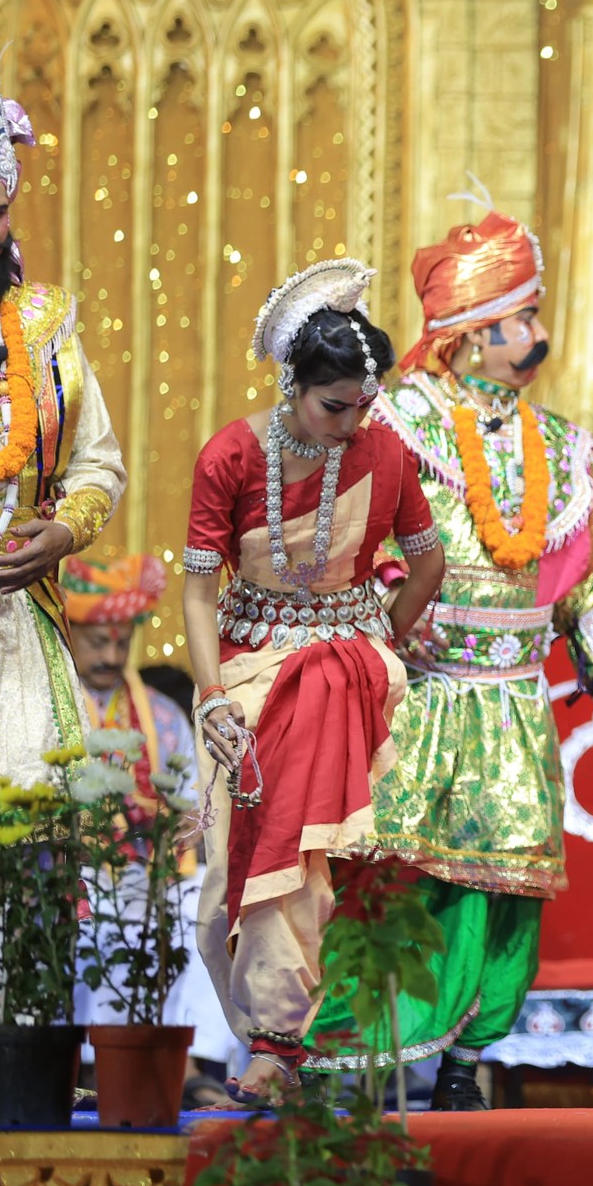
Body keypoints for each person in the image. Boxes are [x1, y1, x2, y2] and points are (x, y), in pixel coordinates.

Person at [303, 199, 593, 1109]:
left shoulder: (561, 444)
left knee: (505, 889)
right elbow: (357, 535)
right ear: (468, 334)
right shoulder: (401, 420)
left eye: (533, 316)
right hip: (423, 695)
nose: (536, 335)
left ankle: (464, 1064)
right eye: (519, 319)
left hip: (517, 700)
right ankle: (345, 1062)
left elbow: (580, 581)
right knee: (399, 876)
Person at [181, 260, 445, 1105]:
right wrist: (213, 697)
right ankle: (273, 1036)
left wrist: (379, 645)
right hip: (243, 674)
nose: (352, 423)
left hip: (346, 672)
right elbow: (197, 592)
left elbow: (428, 562)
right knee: (236, 862)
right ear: (291, 383)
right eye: (335, 405)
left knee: (329, 855)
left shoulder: (385, 451)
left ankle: (291, 1044)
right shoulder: (231, 454)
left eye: (365, 404)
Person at [0, 48, 125, 782]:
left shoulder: (47, 325)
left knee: (28, 824)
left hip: (21, 611)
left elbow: (99, 464)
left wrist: (64, 532)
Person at [64, 554, 240, 1102]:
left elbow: (196, 803)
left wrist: (174, 835)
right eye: (98, 642)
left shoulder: (162, 714)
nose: (112, 656)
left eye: (121, 643)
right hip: (72, 868)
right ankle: (85, 1065)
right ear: (70, 635)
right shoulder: (53, 705)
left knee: (207, 903)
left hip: (150, 868)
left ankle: (193, 1064)